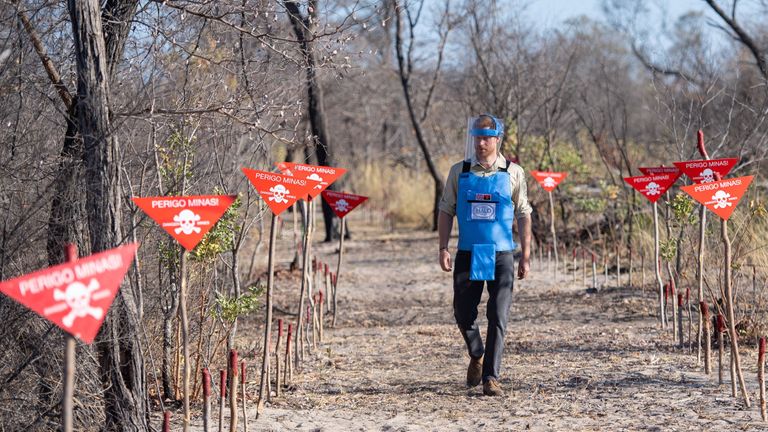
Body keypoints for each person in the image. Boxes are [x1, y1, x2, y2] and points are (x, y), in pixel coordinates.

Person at [437, 114, 532, 396]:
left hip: (502, 253)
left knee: (498, 315)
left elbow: (524, 212)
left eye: (486, 138)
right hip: (469, 252)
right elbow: (446, 209)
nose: (480, 143)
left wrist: (525, 255)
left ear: (497, 139)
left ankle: (491, 376)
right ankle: (476, 352)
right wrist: (443, 247)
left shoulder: (513, 172)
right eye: (476, 137)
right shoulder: (460, 171)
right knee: (463, 313)